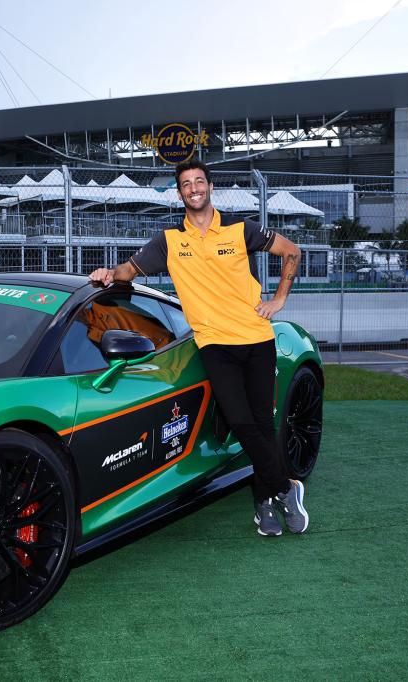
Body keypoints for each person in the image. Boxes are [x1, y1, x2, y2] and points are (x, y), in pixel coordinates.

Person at [88, 158, 308, 537]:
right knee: (241, 424)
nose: (193, 188)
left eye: (199, 181)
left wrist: (279, 299)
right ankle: (287, 488)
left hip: (257, 339)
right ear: (179, 193)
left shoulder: (241, 229)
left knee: (260, 424)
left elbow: (293, 251)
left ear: (209, 186)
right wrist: (109, 273)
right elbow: (131, 269)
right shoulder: (170, 241)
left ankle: (262, 501)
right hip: (214, 344)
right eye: (186, 184)